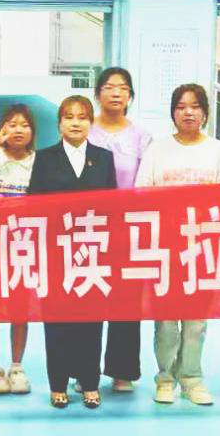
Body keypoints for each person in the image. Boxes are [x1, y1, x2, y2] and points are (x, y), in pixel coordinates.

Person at [135, 83, 220, 406]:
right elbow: (141, 193)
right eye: (181, 107)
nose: (188, 112)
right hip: (165, 247)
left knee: (196, 321)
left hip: (203, 247)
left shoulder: (218, 150)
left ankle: (192, 379)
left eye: (194, 106)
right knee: (166, 321)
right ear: (173, 113)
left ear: (205, 112)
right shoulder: (157, 150)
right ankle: (165, 378)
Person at [30, 95, 117, 409]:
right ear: (59, 124)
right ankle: (58, 384)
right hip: (56, 253)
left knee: (91, 321)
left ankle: (90, 382)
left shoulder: (104, 158)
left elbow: (113, 207)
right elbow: (34, 206)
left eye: (82, 117)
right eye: (69, 117)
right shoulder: (45, 158)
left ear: (91, 123)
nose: (76, 123)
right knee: (57, 320)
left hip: (93, 252)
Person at [87, 67, 150, 392]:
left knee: (126, 301)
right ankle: (83, 369)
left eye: (123, 88)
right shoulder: (84, 129)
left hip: (128, 230)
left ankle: (122, 370)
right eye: (109, 87)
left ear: (130, 96)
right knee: (87, 296)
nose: (116, 93)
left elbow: (147, 182)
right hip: (89, 228)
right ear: (97, 93)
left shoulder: (141, 136)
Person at [0, 104, 37, 395]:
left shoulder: (39, 162)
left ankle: (17, 367)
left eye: (24, 125)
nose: (18, 130)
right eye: (12, 124)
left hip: (24, 245)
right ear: (2, 128)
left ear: (32, 131)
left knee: (19, 308)